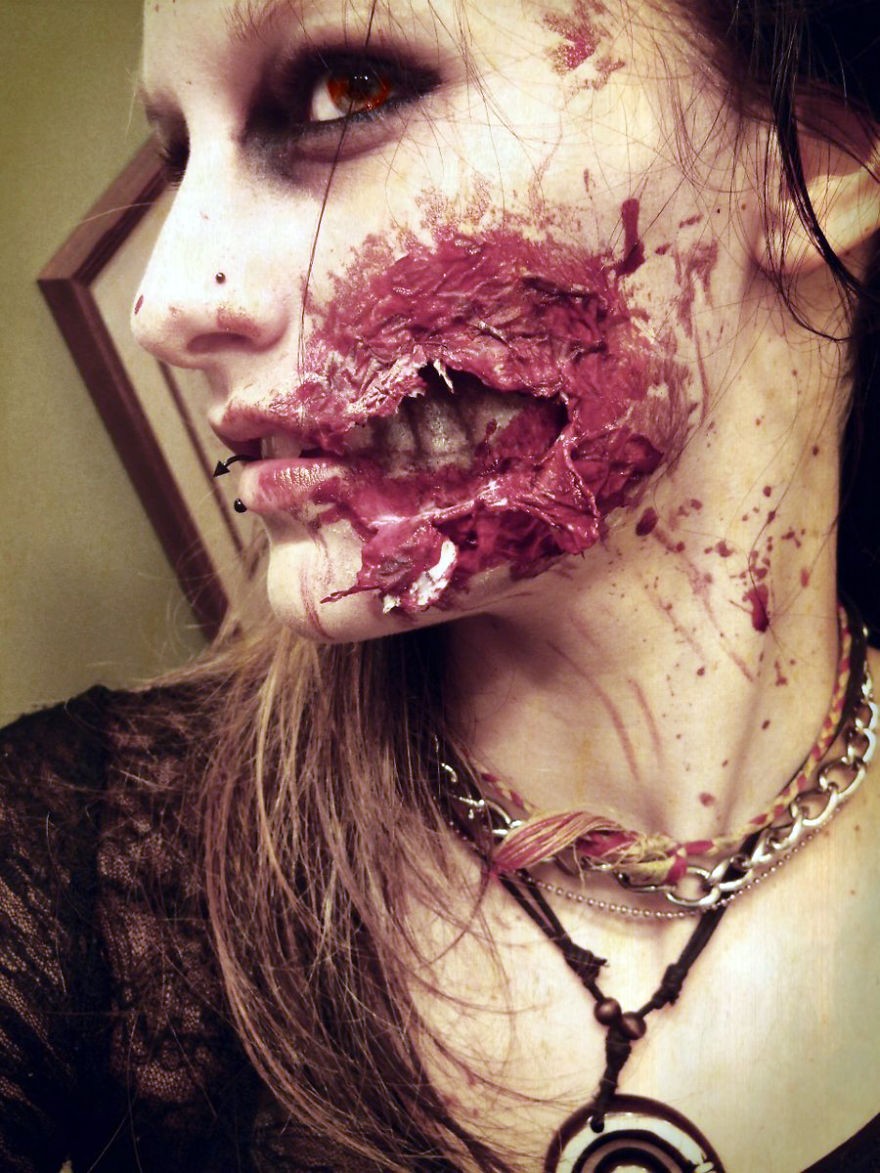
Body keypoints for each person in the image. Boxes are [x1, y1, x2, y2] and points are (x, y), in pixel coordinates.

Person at [2, 0, 880, 1169]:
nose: (165, 308)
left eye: (348, 88)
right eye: (178, 154)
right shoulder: (84, 862)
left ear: (806, 165)